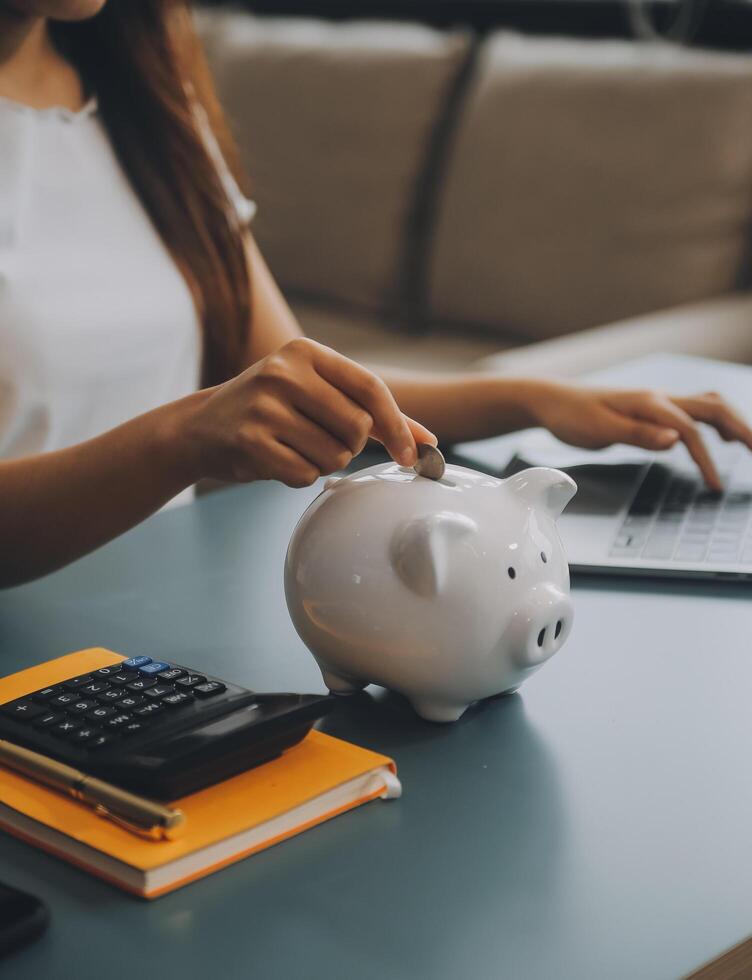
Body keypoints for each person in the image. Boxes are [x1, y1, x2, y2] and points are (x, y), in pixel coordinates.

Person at [1, 0, 751, 589]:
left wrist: (540, 400)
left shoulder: (149, 111)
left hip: (143, 638)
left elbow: (316, 387)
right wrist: (182, 439)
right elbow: (204, 424)